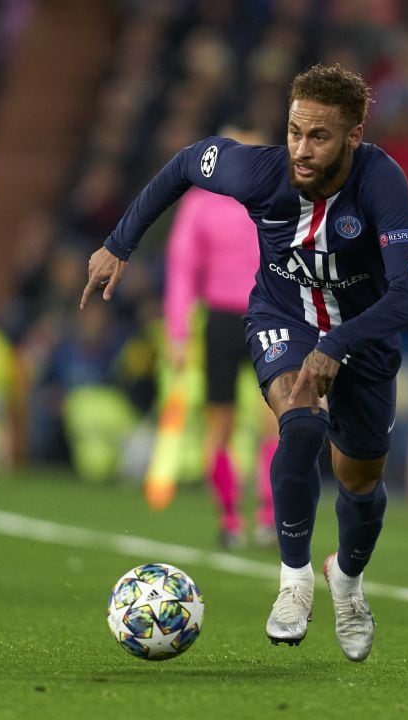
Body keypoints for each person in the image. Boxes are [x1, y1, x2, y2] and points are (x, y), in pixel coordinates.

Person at [81, 64, 408, 662]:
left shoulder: (381, 181)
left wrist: (339, 345)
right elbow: (187, 163)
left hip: (361, 337)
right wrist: (119, 243)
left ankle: (345, 578)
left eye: (319, 136)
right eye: (294, 131)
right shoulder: (258, 171)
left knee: (360, 482)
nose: (301, 148)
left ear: (353, 136)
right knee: (299, 420)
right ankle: (295, 581)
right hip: (282, 316)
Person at [163, 127, 278, 551]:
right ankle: (239, 518)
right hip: (240, 317)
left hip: (259, 315)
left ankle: (257, 517)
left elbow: (181, 270)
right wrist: (177, 332)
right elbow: (182, 268)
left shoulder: (267, 198)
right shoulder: (208, 201)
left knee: (267, 419)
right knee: (233, 422)